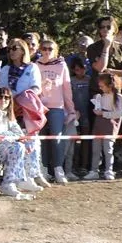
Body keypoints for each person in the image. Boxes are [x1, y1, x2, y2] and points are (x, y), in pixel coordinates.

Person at [35, 38, 76, 184]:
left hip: (56, 106)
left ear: (55, 51)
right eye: (44, 48)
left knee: (57, 138)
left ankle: (58, 169)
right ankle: (44, 169)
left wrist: (71, 109)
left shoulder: (61, 65)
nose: (46, 51)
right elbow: (32, 86)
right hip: (39, 107)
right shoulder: (35, 65)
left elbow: (66, 88)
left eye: (50, 49)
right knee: (41, 140)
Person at [0, 87, 40, 198]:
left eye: (7, 98)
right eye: (0, 97)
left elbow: (18, 132)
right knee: (18, 147)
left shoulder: (8, 115)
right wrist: (15, 137)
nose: (3, 100)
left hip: (7, 146)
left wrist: (23, 139)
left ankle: (27, 178)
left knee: (30, 142)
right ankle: (8, 184)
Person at [86, 73, 122, 181]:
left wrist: (103, 113)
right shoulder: (101, 96)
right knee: (96, 148)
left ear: (110, 85)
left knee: (108, 149)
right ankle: (94, 170)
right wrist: (96, 106)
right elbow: (97, 108)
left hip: (110, 124)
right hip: (99, 123)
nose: (100, 88)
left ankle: (109, 170)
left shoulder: (119, 98)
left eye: (102, 86)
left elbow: (118, 114)